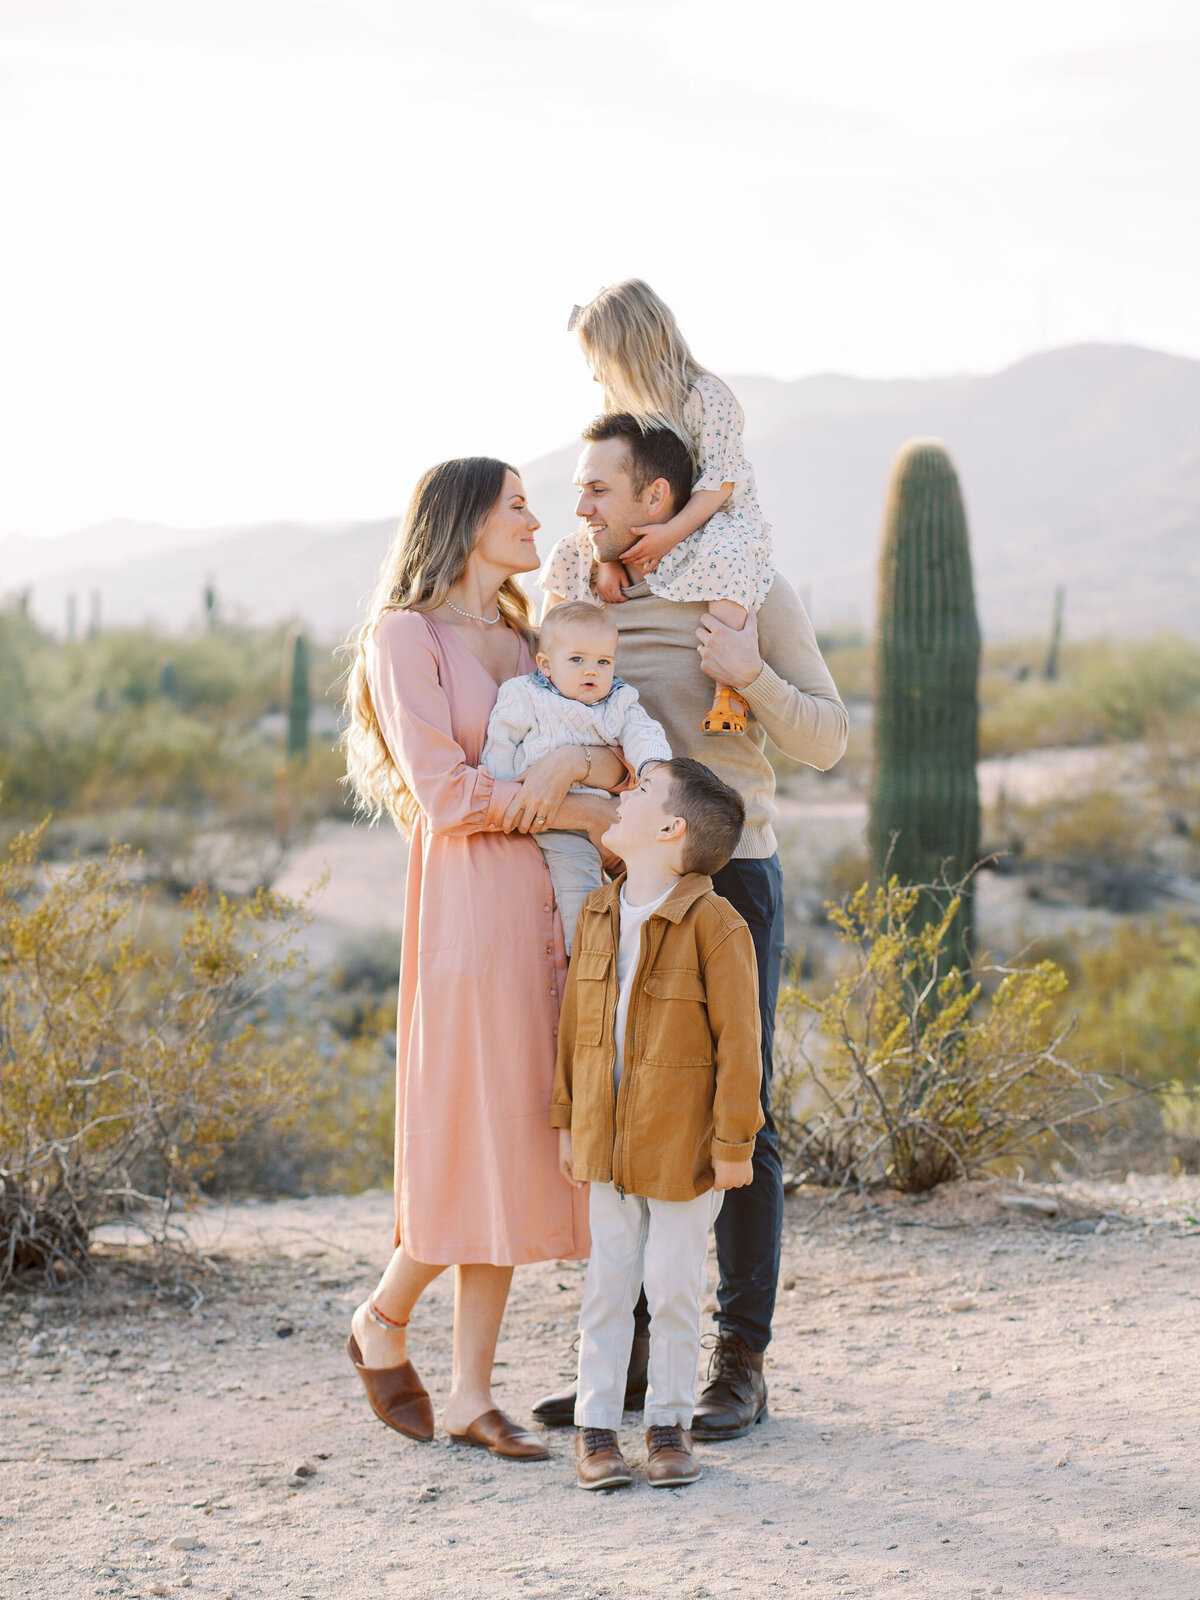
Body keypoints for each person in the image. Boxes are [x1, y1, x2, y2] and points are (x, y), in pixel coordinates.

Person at [533, 415, 848, 1441]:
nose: (579, 506)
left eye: (598, 489)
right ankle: (624, 1364)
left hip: (731, 879)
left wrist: (748, 669)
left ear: (655, 500)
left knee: (735, 1114)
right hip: (621, 885)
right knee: (624, 1099)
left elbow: (830, 738)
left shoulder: (746, 589)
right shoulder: (589, 602)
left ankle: (739, 1362)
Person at [341, 456, 629, 1460]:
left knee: (513, 1135)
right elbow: (444, 791)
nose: (534, 518)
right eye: (515, 504)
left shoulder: (524, 638)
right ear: (463, 519)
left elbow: (602, 735)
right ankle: (383, 1316)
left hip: (549, 916)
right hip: (468, 917)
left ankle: (468, 1390)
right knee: (468, 1133)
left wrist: (578, 771)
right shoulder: (405, 636)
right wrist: (580, 801)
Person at [555, 758, 764, 1490]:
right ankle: (596, 1428)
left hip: (686, 1147)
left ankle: (668, 1424)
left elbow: (742, 1042)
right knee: (609, 1285)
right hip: (606, 1139)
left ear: (671, 829)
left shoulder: (717, 923)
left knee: (673, 1284)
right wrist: (567, 1120)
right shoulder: (598, 911)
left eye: (639, 791)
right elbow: (575, 1027)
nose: (622, 795)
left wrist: (736, 1142)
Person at [565, 278, 772, 736]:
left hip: (714, 515)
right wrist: (610, 557)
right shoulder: (623, 405)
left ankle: (728, 682)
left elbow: (719, 484)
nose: (595, 374)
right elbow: (611, 495)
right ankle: (560, 689)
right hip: (665, 523)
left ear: (626, 348)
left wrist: (671, 533)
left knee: (728, 548)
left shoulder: (704, 395)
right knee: (569, 552)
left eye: (597, 361)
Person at [481, 599, 671, 953]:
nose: (591, 671)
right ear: (546, 665)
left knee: (652, 878)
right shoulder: (524, 695)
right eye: (577, 660)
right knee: (581, 884)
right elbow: (502, 740)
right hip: (555, 819)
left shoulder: (618, 701)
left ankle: (648, 948)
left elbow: (643, 733)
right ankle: (586, 957)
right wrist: (504, 787)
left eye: (603, 662)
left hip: (609, 818)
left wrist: (654, 768)